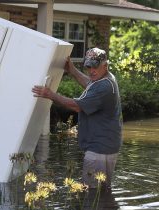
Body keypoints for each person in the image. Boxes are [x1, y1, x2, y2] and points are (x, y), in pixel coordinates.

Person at [32, 47, 122, 189]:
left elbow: (76, 106)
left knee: (93, 191)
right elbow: (89, 84)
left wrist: (50, 94)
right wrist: (72, 70)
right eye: (88, 66)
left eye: (95, 67)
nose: (91, 70)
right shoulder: (106, 78)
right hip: (106, 145)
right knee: (101, 191)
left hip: (99, 149)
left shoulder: (103, 87)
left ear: (105, 65)